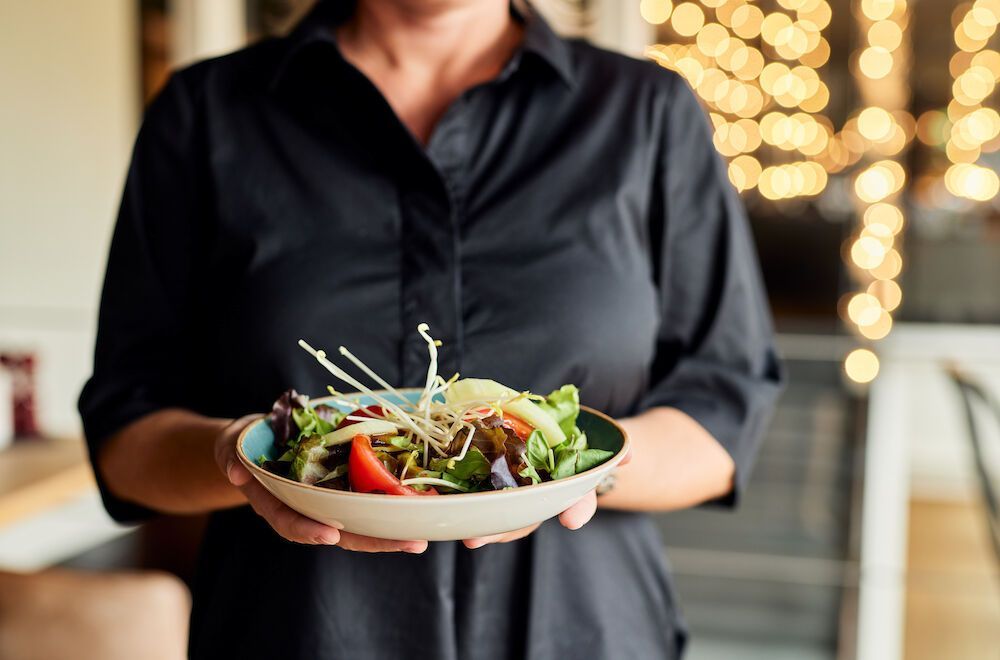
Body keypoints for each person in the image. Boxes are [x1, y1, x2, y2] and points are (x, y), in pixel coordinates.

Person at [79, 1, 783, 658]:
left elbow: (722, 411)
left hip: (585, 628)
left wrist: (572, 470)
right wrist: (240, 456)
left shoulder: (646, 113)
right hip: (296, 632)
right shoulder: (205, 113)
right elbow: (125, 437)